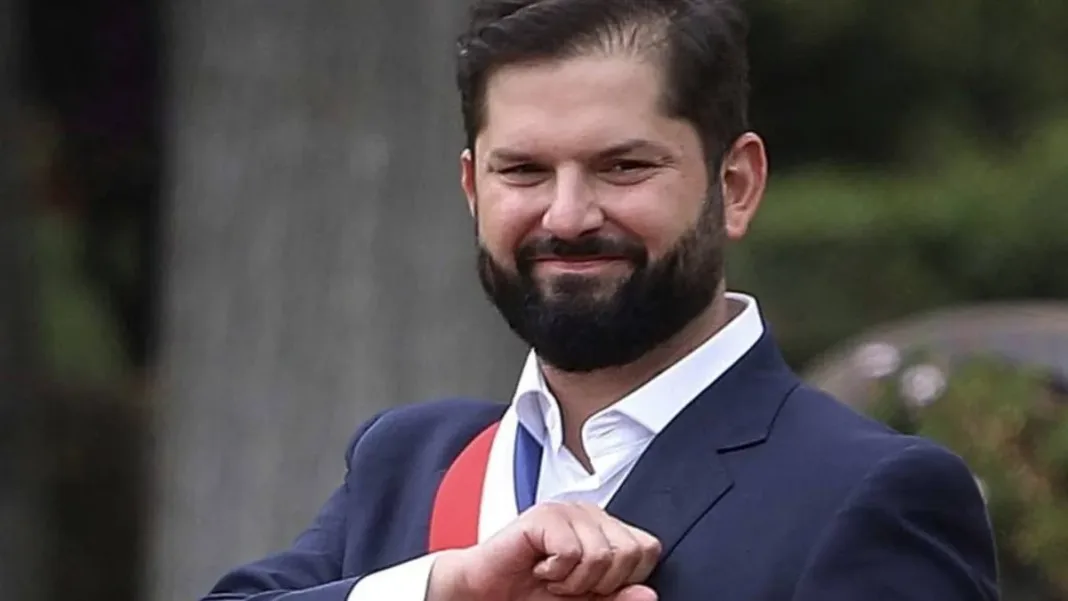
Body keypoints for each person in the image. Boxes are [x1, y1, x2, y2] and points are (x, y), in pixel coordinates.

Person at [202, 1, 999, 600]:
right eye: (523, 171)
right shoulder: (407, 460)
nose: (568, 216)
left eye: (623, 167)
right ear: (473, 188)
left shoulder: (869, 494)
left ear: (736, 184)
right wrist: (446, 588)